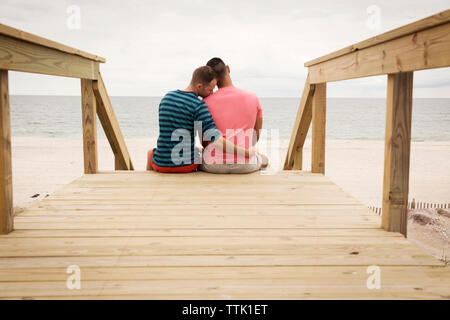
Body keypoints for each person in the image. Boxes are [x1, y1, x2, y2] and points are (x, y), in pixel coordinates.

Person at [147, 65, 254, 173]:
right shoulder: (198, 106)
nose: (212, 93)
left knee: (150, 153)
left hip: (160, 164)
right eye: (210, 90)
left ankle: (149, 182)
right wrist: (246, 153)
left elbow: (168, 134)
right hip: (186, 166)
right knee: (201, 155)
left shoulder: (167, 98)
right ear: (199, 87)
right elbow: (218, 141)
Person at [200, 57, 268, 174]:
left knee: (201, 154)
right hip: (246, 165)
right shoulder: (253, 98)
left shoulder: (205, 102)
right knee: (263, 158)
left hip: (213, 165)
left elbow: (204, 141)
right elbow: (255, 136)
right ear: (228, 69)